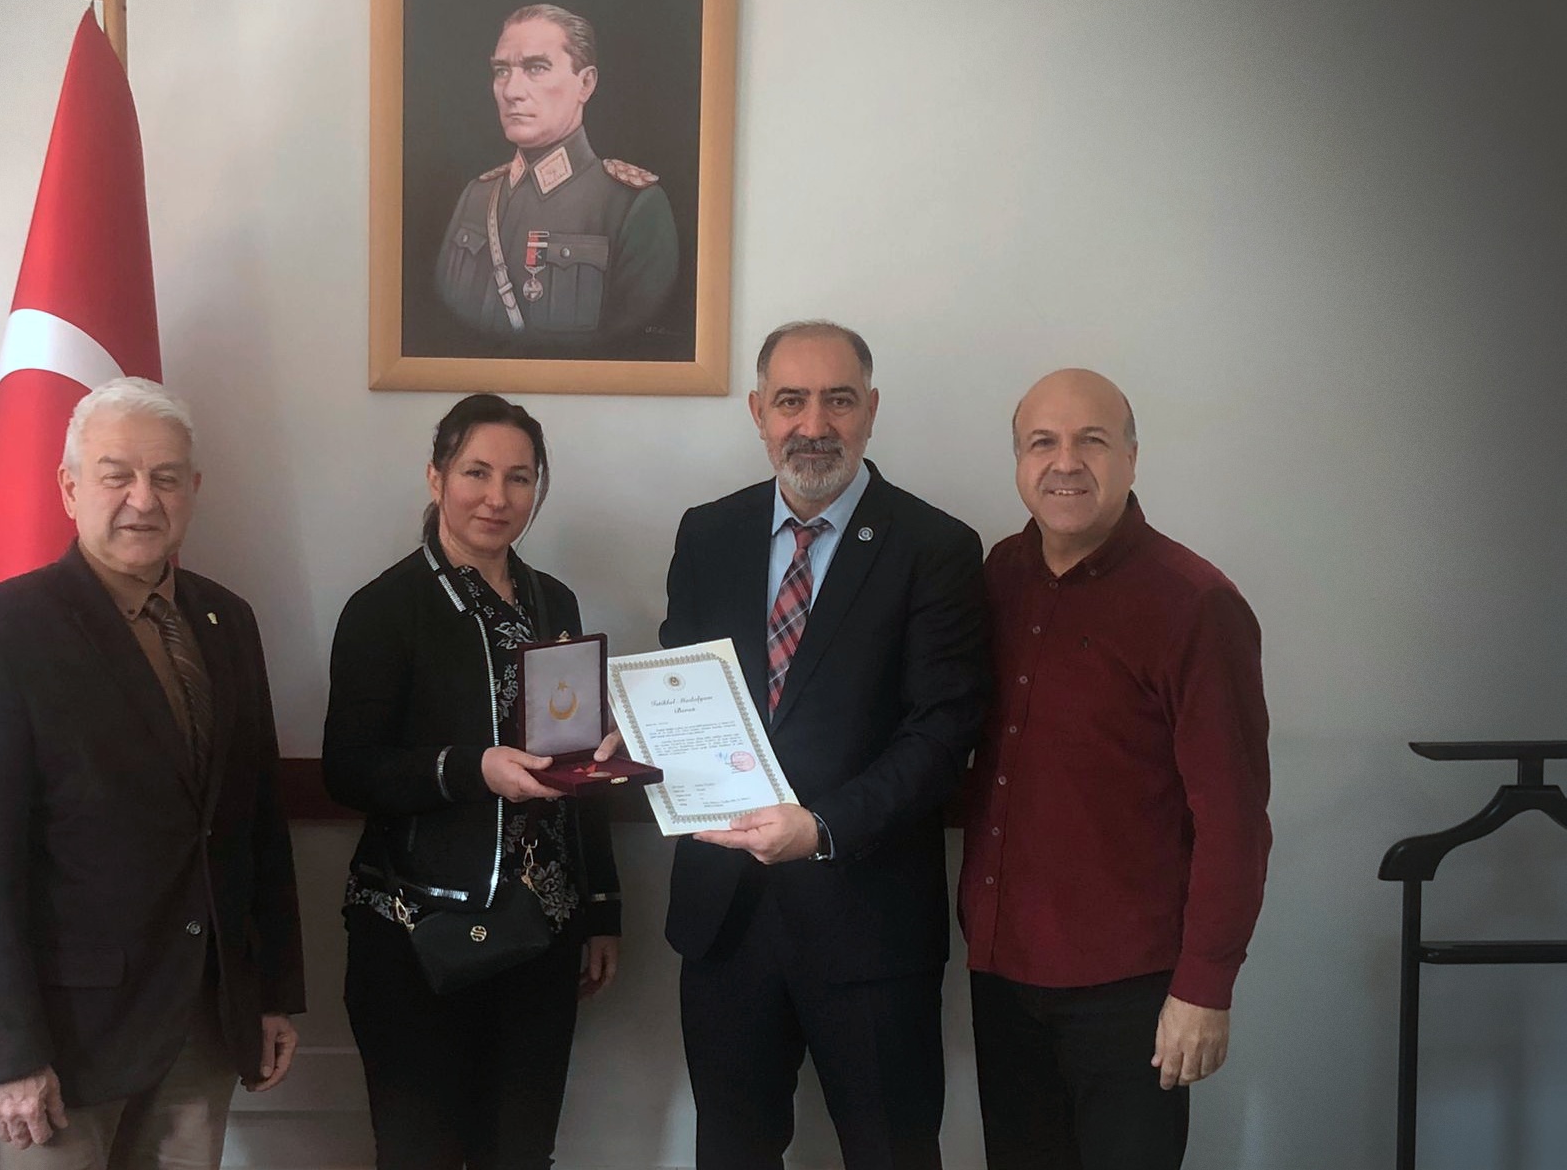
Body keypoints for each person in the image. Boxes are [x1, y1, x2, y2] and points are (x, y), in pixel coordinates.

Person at [0, 377, 306, 1169]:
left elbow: (258, 820)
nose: (143, 498)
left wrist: (272, 990)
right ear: (70, 488)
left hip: (204, 1022)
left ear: (192, 489)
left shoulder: (228, 620)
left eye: (165, 477)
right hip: (64, 1044)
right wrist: (6, 1054)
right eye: (116, 475)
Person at [657, 321, 989, 1170]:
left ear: (870, 410)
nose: (814, 424)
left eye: (838, 400)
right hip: (726, 921)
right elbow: (683, 684)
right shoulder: (708, 532)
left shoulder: (937, 547)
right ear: (757, 411)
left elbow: (941, 733)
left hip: (870, 925)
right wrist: (643, 727)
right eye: (791, 401)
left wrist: (822, 826)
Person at [955, 369, 1272, 1170]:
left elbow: (1234, 821)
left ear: (1131, 456)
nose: (1065, 462)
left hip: (1131, 986)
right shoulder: (998, 575)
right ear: (1018, 461)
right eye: (1043, 442)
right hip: (1002, 971)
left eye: (1091, 440)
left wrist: (1204, 987)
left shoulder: (1195, 604)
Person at [323, 393, 624, 1169]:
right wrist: (473, 769)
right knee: (420, 1155)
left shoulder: (554, 600)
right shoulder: (384, 608)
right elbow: (347, 767)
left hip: (540, 933)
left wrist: (601, 908)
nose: (497, 497)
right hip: (415, 935)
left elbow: (576, 765)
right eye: (476, 472)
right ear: (436, 477)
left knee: (521, 1154)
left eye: (519, 477)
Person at [433, 3, 679, 348]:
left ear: (585, 83)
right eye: (502, 70)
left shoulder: (631, 205)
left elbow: (630, 344)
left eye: (536, 68)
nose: (511, 91)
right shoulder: (476, 197)